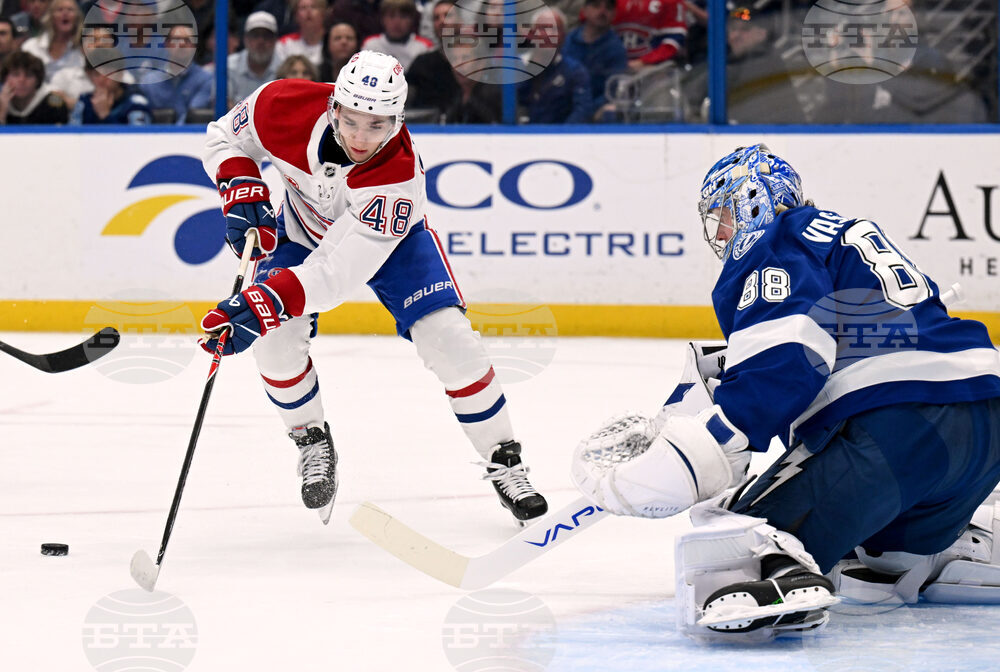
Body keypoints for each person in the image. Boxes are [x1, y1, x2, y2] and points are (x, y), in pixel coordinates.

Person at [572, 144, 1000, 642]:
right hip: (985, 422)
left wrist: (717, 438)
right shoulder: (842, 236)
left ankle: (778, 576)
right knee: (873, 558)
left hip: (897, 428)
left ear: (755, 200)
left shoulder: (779, 240)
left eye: (725, 216)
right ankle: (937, 553)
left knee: (736, 539)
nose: (723, 233)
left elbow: (788, 355)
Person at [198, 50, 549, 525]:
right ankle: (311, 438)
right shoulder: (281, 102)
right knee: (274, 345)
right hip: (301, 228)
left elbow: (337, 273)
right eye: (353, 121)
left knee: (450, 342)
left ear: (397, 121)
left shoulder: (397, 179)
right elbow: (225, 136)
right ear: (334, 107)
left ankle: (505, 459)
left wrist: (266, 301)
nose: (362, 137)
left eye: (378, 125)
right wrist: (240, 185)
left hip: (391, 244)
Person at [517, 8, 592, 124]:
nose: (549, 34)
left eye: (555, 29)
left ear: (563, 36)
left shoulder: (575, 72)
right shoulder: (515, 67)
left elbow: (582, 112)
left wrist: (560, 137)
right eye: (543, 28)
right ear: (532, 34)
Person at [563, 0, 627, 121]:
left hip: (593, 114)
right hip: (563, 106)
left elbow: (611, 91)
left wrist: (588, 110)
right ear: (584, 10)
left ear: (614, 14)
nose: (602, 12)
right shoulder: (568, 41)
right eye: (596, 6)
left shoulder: (616, 49)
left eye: (608, 8)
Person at [139, 24, 213, 123]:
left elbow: (191, 118)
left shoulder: (206, 80)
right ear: (167, 44)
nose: (182, 44)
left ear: (194, 46)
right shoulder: (149, 82)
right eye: (176, 40)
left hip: (192, 137)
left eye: (187, 40)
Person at [69, 49, 151, 125]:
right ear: (89, 76)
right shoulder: (84, 102)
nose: (102, 79)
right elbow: (72, 135)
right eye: (96, 74)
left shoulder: (136, 102)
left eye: (108, 73)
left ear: (120, 74)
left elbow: (139, 137)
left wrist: (105, 115)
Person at [20, 0, 83, 82]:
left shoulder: (84, 51)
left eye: (70, 10)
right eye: (59, 10)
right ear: (51, 17)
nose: (65, 13)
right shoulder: (30, 47)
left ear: (77, 18)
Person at [0, 49, 68, 123]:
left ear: (38, 80)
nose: (22, 80)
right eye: (15, 74)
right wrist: (2, 111)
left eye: (29, 75)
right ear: (5, 78)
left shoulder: (53, 106)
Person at [228, 10, 281, 104]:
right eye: (255, 35)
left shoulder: (284, 68)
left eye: (266, 36)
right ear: (245, 39)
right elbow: (224, 104)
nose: (261, 41)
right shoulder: (229, 66)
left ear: (275, 40)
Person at [361, 0, 431, 70]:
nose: (397, 22)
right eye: (391, 16)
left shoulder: (424, 47)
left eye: (403, 17)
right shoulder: (370, 45)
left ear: (412, 20)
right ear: (382, 19)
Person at [275, 0, 327, 67]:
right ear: (296, 15)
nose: (308, 11)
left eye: (313, 7)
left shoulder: (332, 42)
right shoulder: (284, 44)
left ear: (323, 13)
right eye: (303, 8)